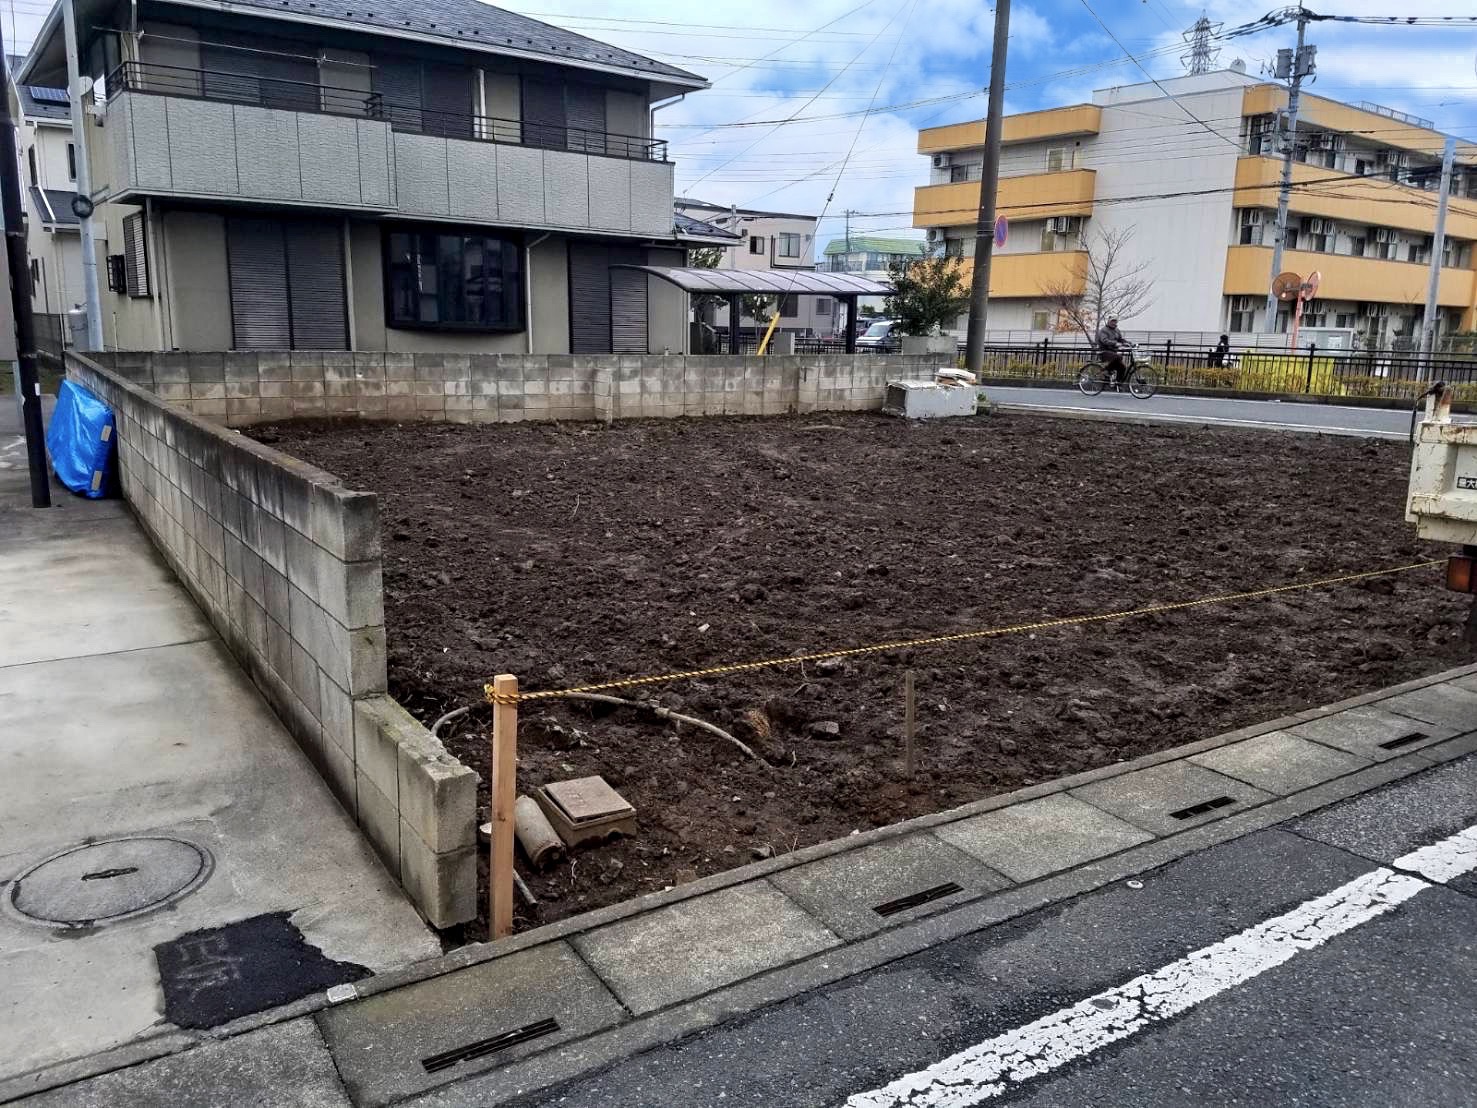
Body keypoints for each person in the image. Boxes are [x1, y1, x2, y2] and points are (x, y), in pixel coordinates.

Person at [1096, 316, 1128, 388]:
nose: (1114, 323)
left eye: (1115, 321)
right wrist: (1115, 343)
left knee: (1122, 367)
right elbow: (1104, 340)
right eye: (1112, 321)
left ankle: (1118, 383)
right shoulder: (1104, 330)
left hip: (1113, 352)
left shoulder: (1117, 330)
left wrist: (1129, 343)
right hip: (1104, 352)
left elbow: (1121, 339)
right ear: (1109, 321)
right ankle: (1106, 371)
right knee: (1119, 357)